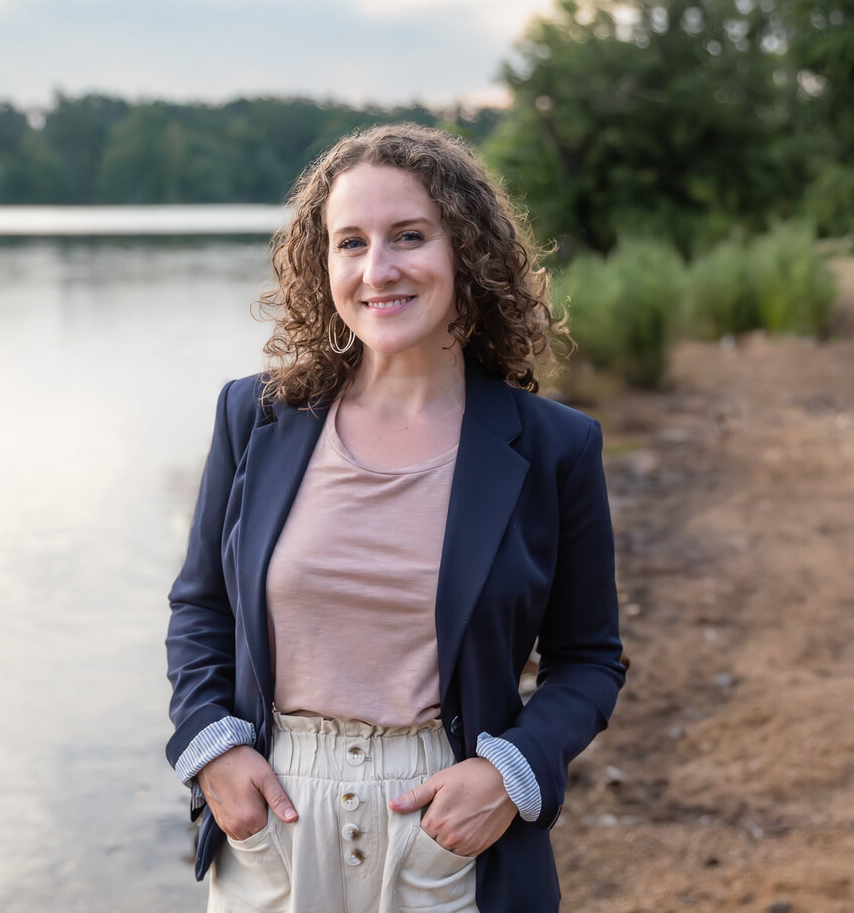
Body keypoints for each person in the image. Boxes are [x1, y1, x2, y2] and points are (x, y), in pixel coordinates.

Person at [165, 123, 626, 912]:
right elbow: (201, 608)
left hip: (445, 825)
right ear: (324, 262)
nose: (377, 270)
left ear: (466, 251)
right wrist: (212, 749)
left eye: (408, 236)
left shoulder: (555, 447)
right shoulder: (256, 416)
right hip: (275, 818)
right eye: (350, 243)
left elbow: (588, 659)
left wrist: (509, 774)